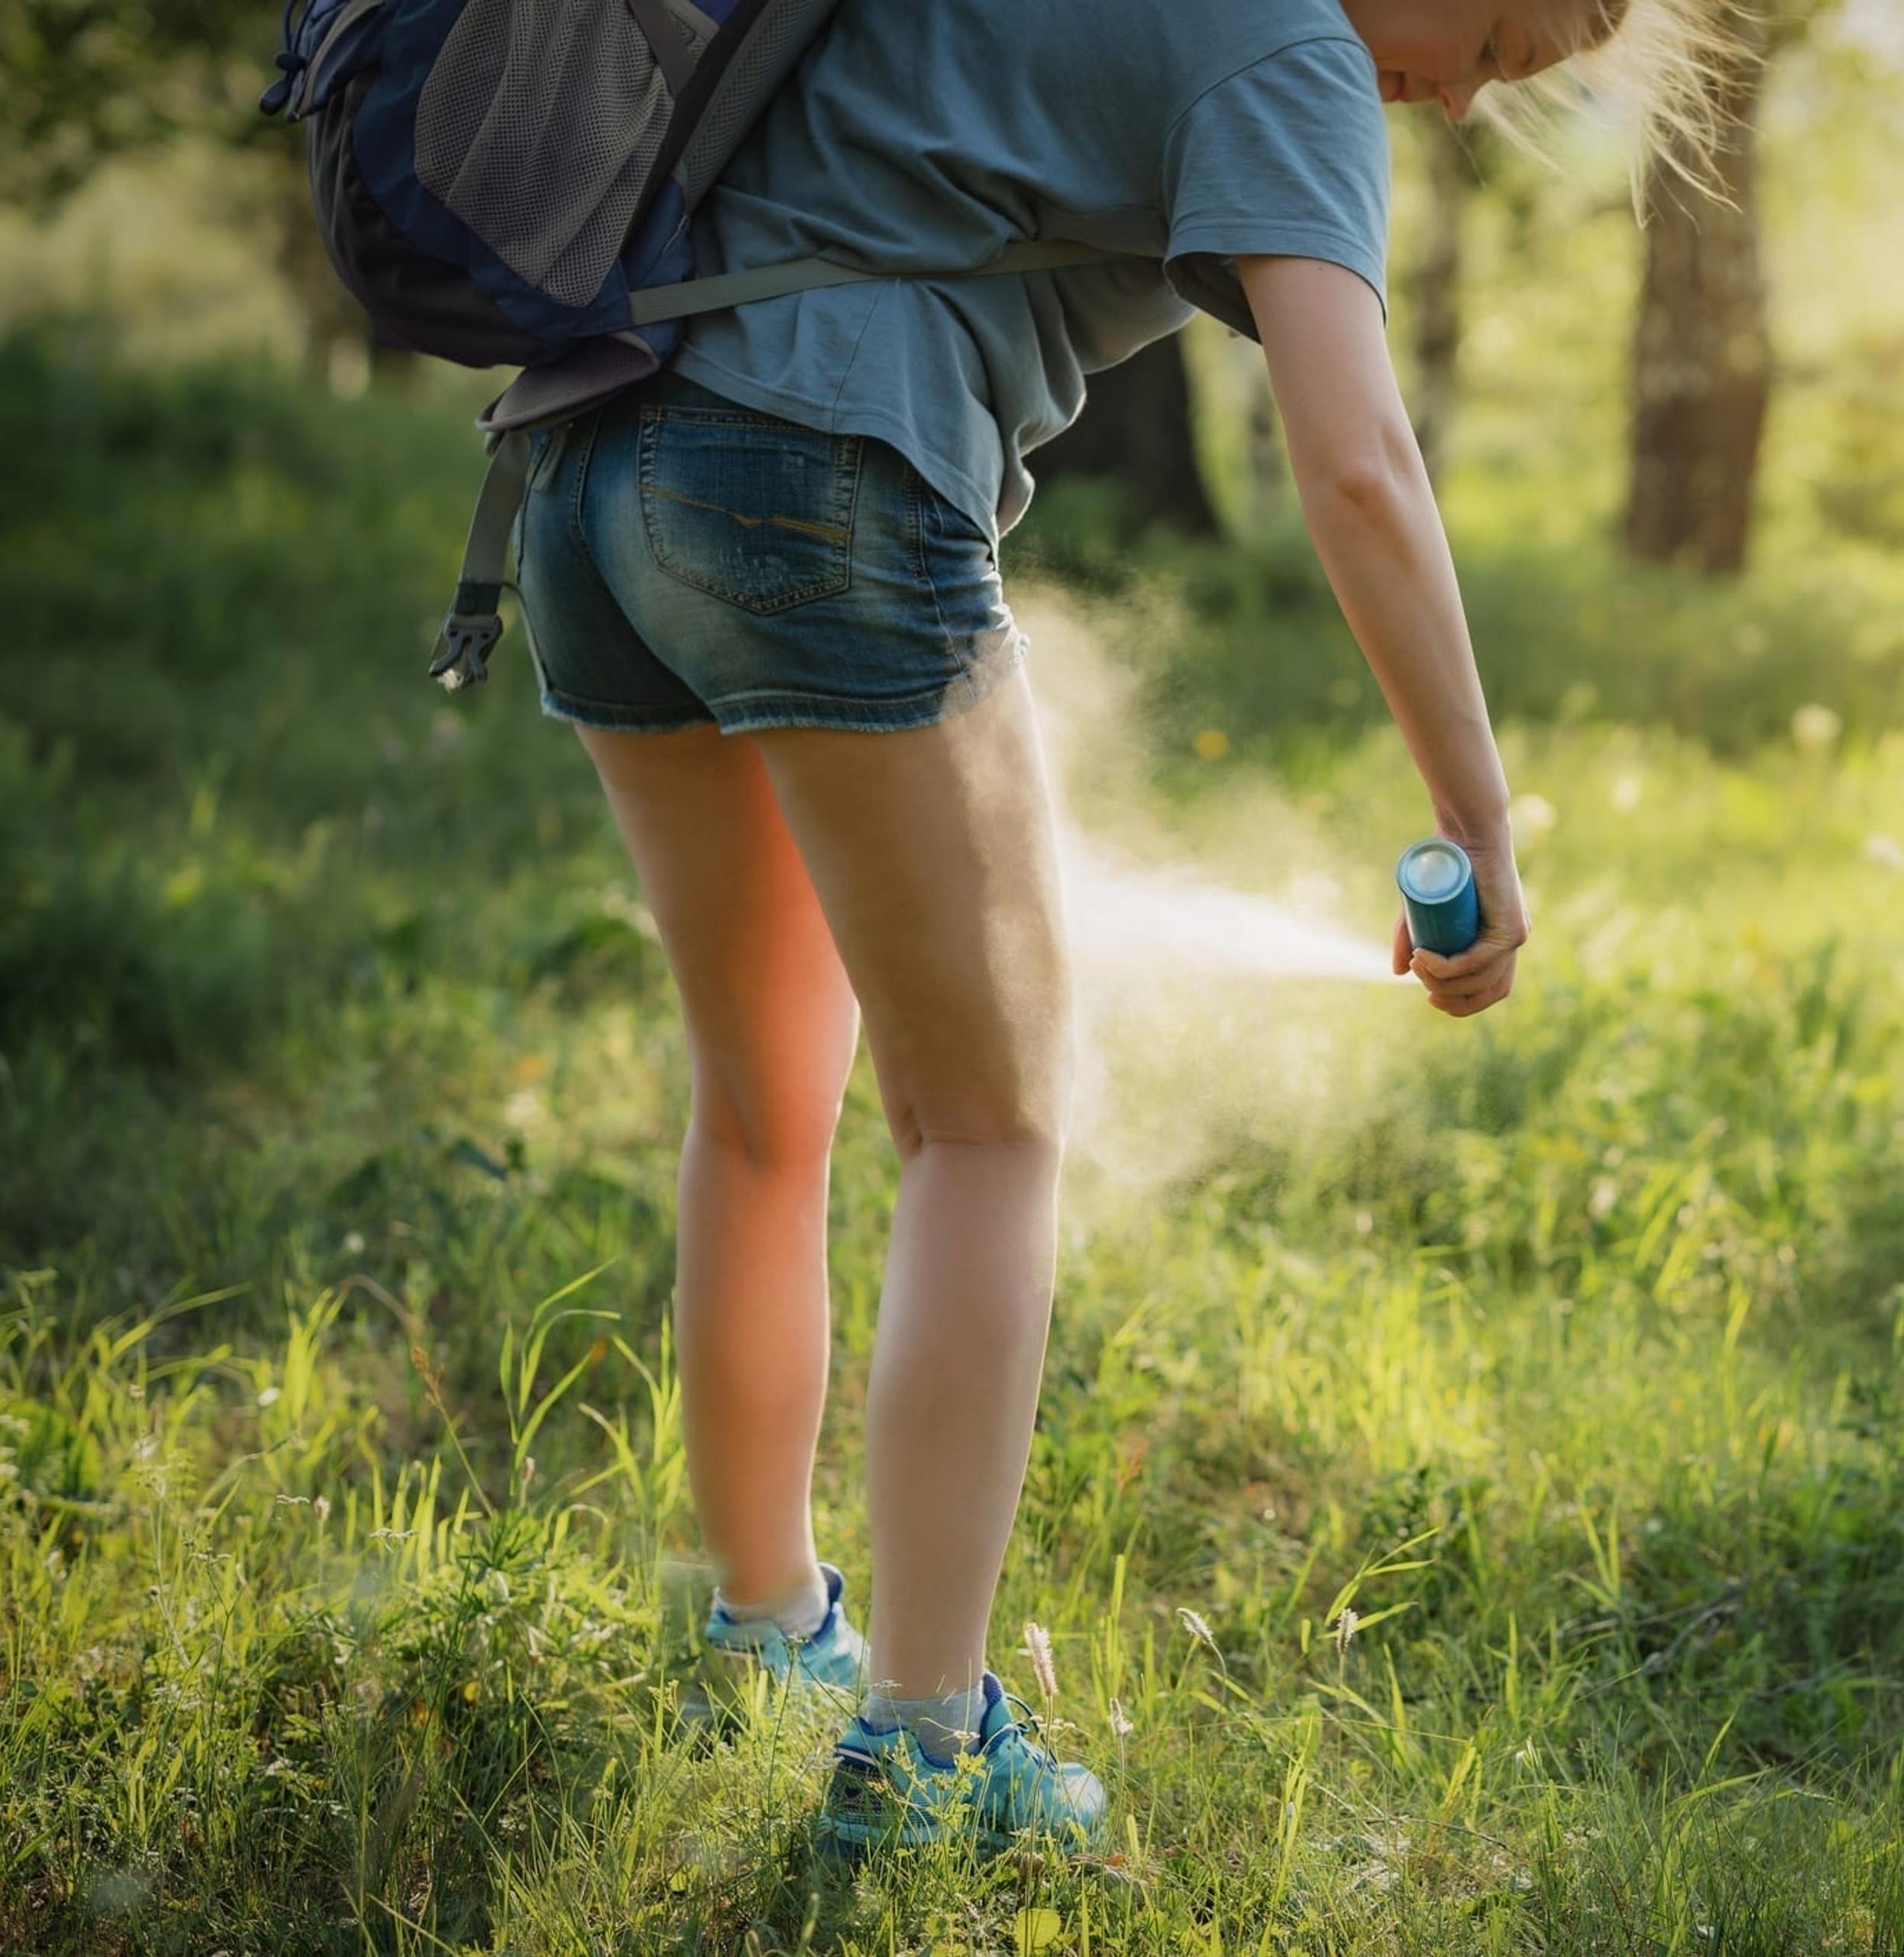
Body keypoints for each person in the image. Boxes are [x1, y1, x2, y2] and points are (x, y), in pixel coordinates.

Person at [513, 0, 1711, 1854]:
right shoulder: (1292, 47)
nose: (1465, 93)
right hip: (817, 472)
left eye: (1510, 79)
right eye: (1492, 31)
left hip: (593, 466)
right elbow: (1360, 463)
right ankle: (924, 1749)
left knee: (763, 1103)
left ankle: (760, 1627)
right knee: (987, 1130)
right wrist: (1477, 811)